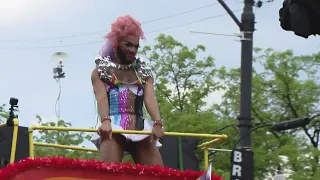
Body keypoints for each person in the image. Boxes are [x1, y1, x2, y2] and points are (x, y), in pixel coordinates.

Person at [91, 15, 164, 166]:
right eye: (128, 45)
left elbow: (150, 98)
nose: (133, 50)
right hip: (113, 125)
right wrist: (105, 120)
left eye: (136, 46)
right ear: (117, 43)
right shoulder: (101, 71)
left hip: (140, 127)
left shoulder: (143, 70)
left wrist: (157, 122)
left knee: (158, 174)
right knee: (107, 173)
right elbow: (101, 98)